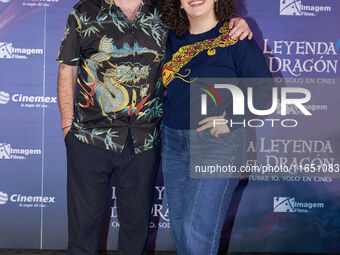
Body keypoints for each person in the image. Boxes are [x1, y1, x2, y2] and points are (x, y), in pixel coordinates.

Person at [57, 0, 252, 254]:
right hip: (89, 138)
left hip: (144, 141)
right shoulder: (84, 11)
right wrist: (66, 127)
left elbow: (203, 25)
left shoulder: (166, 12)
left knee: (136, 236)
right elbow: (68, 68)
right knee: (82, 234)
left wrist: (234, 23)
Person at [161, 0, 273, 254]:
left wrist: (230, 119)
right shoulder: (169, 38)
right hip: (173, 143)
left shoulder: (235, 36)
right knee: (180, 230)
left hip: (218, 144)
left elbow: (265, 91)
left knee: (196, 231)